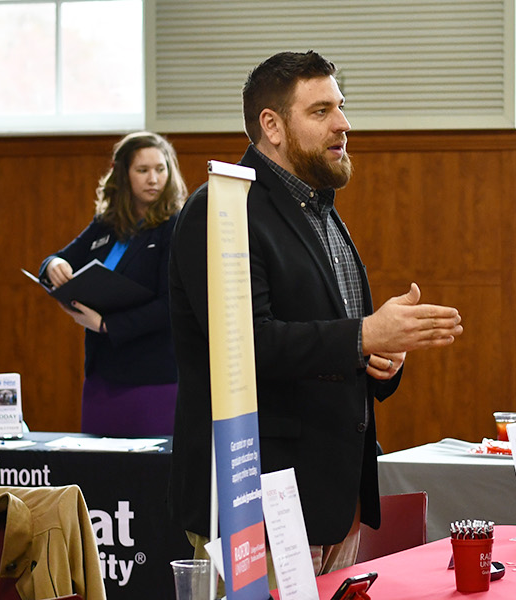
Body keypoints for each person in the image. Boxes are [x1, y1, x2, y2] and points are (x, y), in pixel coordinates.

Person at [168, 51, 463, 576]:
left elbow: (342, 342)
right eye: (321, 110)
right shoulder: (222, 210)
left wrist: (381, 355)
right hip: (256, 503)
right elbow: (244, 347)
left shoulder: (321, 211)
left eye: (341, 107)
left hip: (333, 502)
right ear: (272, 126)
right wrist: (363, 335)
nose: (344, 124)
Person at [40, 131, 187, 437]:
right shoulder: (106, 223)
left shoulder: (175, 225)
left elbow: (170, 304)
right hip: (102, 376)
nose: (153, 179)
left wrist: (107, 325)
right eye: (142, 170)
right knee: (98, 472)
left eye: (160, 169)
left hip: (152, 378)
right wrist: (53, 265)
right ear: (123, 174)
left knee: (147, 477)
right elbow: (59, 259)